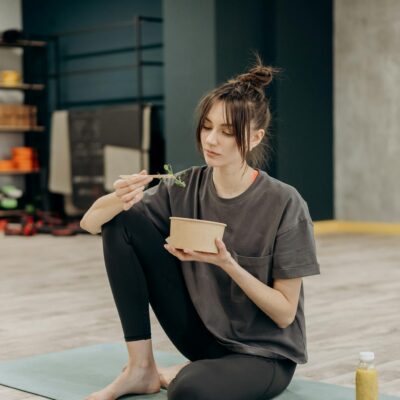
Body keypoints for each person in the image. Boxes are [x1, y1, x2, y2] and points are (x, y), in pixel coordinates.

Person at [80, 54, 320, 400]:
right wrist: (119, 197)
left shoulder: (285, 203)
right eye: (207, 126)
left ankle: (190, 373)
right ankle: (141, 368)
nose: (211, 140)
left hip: (264, 355)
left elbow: (284, 314)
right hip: (203, 336)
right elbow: (92, 223)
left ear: (254, 138)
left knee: (190, 389)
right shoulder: (186, 184)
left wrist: (227, 264)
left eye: (226, 132)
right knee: (124, 220)